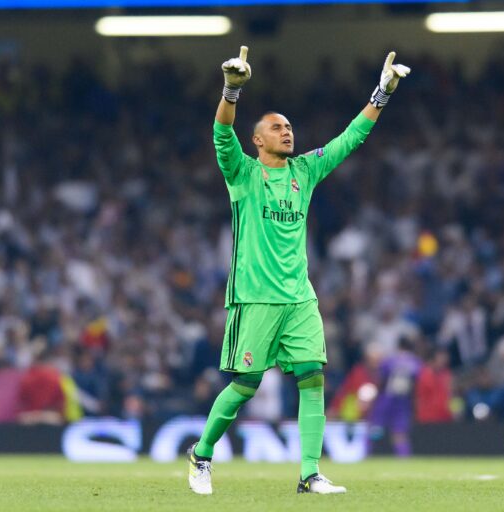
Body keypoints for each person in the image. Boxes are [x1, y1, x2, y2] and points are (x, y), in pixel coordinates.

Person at [187, 46, 410, 495]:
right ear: (258, 140)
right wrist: (232, 89)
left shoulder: (304, 171)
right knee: (246, 384)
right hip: (255, 296)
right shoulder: (242, 174)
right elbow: (220, 132)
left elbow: (351, 138)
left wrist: (382, 93)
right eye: (276, 127)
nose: (287, 132)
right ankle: (202, 454)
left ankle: (309, 473)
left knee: (313, 375)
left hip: (299, 297)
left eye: (289, 126)